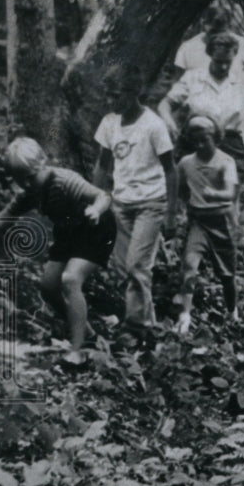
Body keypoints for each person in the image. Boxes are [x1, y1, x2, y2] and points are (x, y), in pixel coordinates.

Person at [0, 137, 115, 366]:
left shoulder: (65, 180)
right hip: (70, 233)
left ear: (42, 166)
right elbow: (2, 218)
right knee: (48, 287)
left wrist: (96, 210)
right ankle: (87, 334)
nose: (28, 185)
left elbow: (103, 195)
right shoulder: (30, 192)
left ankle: (77, 351)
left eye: (30, 178)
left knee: (70, 279)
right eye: (22, 181)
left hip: (96, 228)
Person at [93, 66, 178, 346]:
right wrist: (98, 199)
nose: (110, 102)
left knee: (137, 267)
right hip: (121, 204)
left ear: (133, 93)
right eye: (107, 96)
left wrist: (170, 213)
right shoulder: (109, 122)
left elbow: (170, 170)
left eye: (115, 96)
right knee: (122, 267)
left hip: (150, 204)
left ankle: (134, 329)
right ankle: (151, 326)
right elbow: (103, 164)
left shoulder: (153, 125)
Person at [174, 115, 239, 335]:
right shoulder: (186, 163)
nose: (200, 145)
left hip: (221, 222)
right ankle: (185, 316)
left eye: (205, 139)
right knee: (189, 267)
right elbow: (181, 188)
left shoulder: (225, 162)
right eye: (195, 141)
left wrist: (215, 194)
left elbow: (231, 192)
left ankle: (232, 312)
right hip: (199, 222)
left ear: (216, 136)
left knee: (227, 274)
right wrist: (186, 207)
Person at [160, 30, 244, 159]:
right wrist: (169, 124)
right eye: (219, 61)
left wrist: (243, 142)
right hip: (194, 145)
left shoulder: (240, 83)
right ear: (210, 55)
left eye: (228, 62)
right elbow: (165, 104)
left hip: (229, 147)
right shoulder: (193, 77)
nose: (224, 67)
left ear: (234, 56)